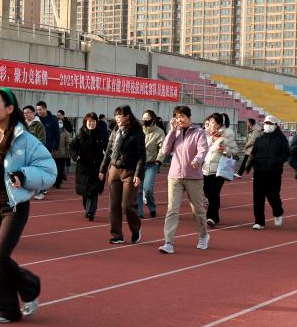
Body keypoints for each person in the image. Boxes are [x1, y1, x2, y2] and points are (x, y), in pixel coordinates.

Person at [0, 88, 56, 323]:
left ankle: (30, 286)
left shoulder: (26, 140)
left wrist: (24, 175)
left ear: (10, 109)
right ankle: (8, 309)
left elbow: (49, 170)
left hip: (14, 206)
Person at [158, 105, 210, 254]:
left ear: (189, 117)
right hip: (175, 176)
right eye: (176, 116)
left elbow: (203, 149)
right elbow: (165, 150)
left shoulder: (198, 132)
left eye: (182, 116)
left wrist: (197, 160)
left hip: (193, 176)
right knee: (172, 209)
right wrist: (171, 131)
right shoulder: (175, 132)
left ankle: (203, 235)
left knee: (197, 209)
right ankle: (168, 242)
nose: (179, 119)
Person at [99, 105, 147, 245]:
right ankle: (117, 235)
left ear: (127, 116)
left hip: (130, 172)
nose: (117, 119)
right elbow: (109, 151)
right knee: (114, 205)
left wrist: (138, 174)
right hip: (114, 170)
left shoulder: (137, 132)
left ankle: (136, 229)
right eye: (116, 116)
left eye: (120, 116)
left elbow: (141, 156)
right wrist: (102, 169)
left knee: (127, 205)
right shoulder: (115, 130)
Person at [249, 116, 290, 229]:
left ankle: (278, 212)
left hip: (274, 173)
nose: (267, 125)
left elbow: (286, 153)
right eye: (266, 123)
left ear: (276, 125)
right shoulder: (260, 138)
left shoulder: (281, 139)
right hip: (259, 172)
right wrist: (251, 165)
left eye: (270, 123)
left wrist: (277, 161)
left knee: (273, 196)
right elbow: (253, 153)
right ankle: (259, 222)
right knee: (258, 197)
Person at [201, 112, 236, 228]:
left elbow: (235, 152)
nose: (211, 125)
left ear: (220, 124)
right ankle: (214, 217)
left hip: (219, 170)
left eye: (214, 123)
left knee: (214, 193)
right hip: (206, 168)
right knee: (207, 192)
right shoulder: (205, 135)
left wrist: (225, 149)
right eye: (210, 123)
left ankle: (211, 217)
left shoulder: (227, 135)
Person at [70, 112, 107, 221]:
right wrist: (75, 156)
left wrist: (106, 162)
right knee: (85, 192)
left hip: (97, 166)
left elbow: (108, 148)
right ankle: (87, 209)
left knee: (93, 190)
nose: (92, 123)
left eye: (94, 121)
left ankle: (91, 211)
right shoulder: (80, 134)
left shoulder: (102, 133)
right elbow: (72, 146)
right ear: (85, 122)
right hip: (83, 167)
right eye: (89, 121)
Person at [23, 106, 47, 200]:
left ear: (33, 113)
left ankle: (40, 191)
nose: (26, 114)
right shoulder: (23, 124)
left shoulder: (38, 125)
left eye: (28, 112)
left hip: (35, 153)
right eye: (24, 113)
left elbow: (42, 140)